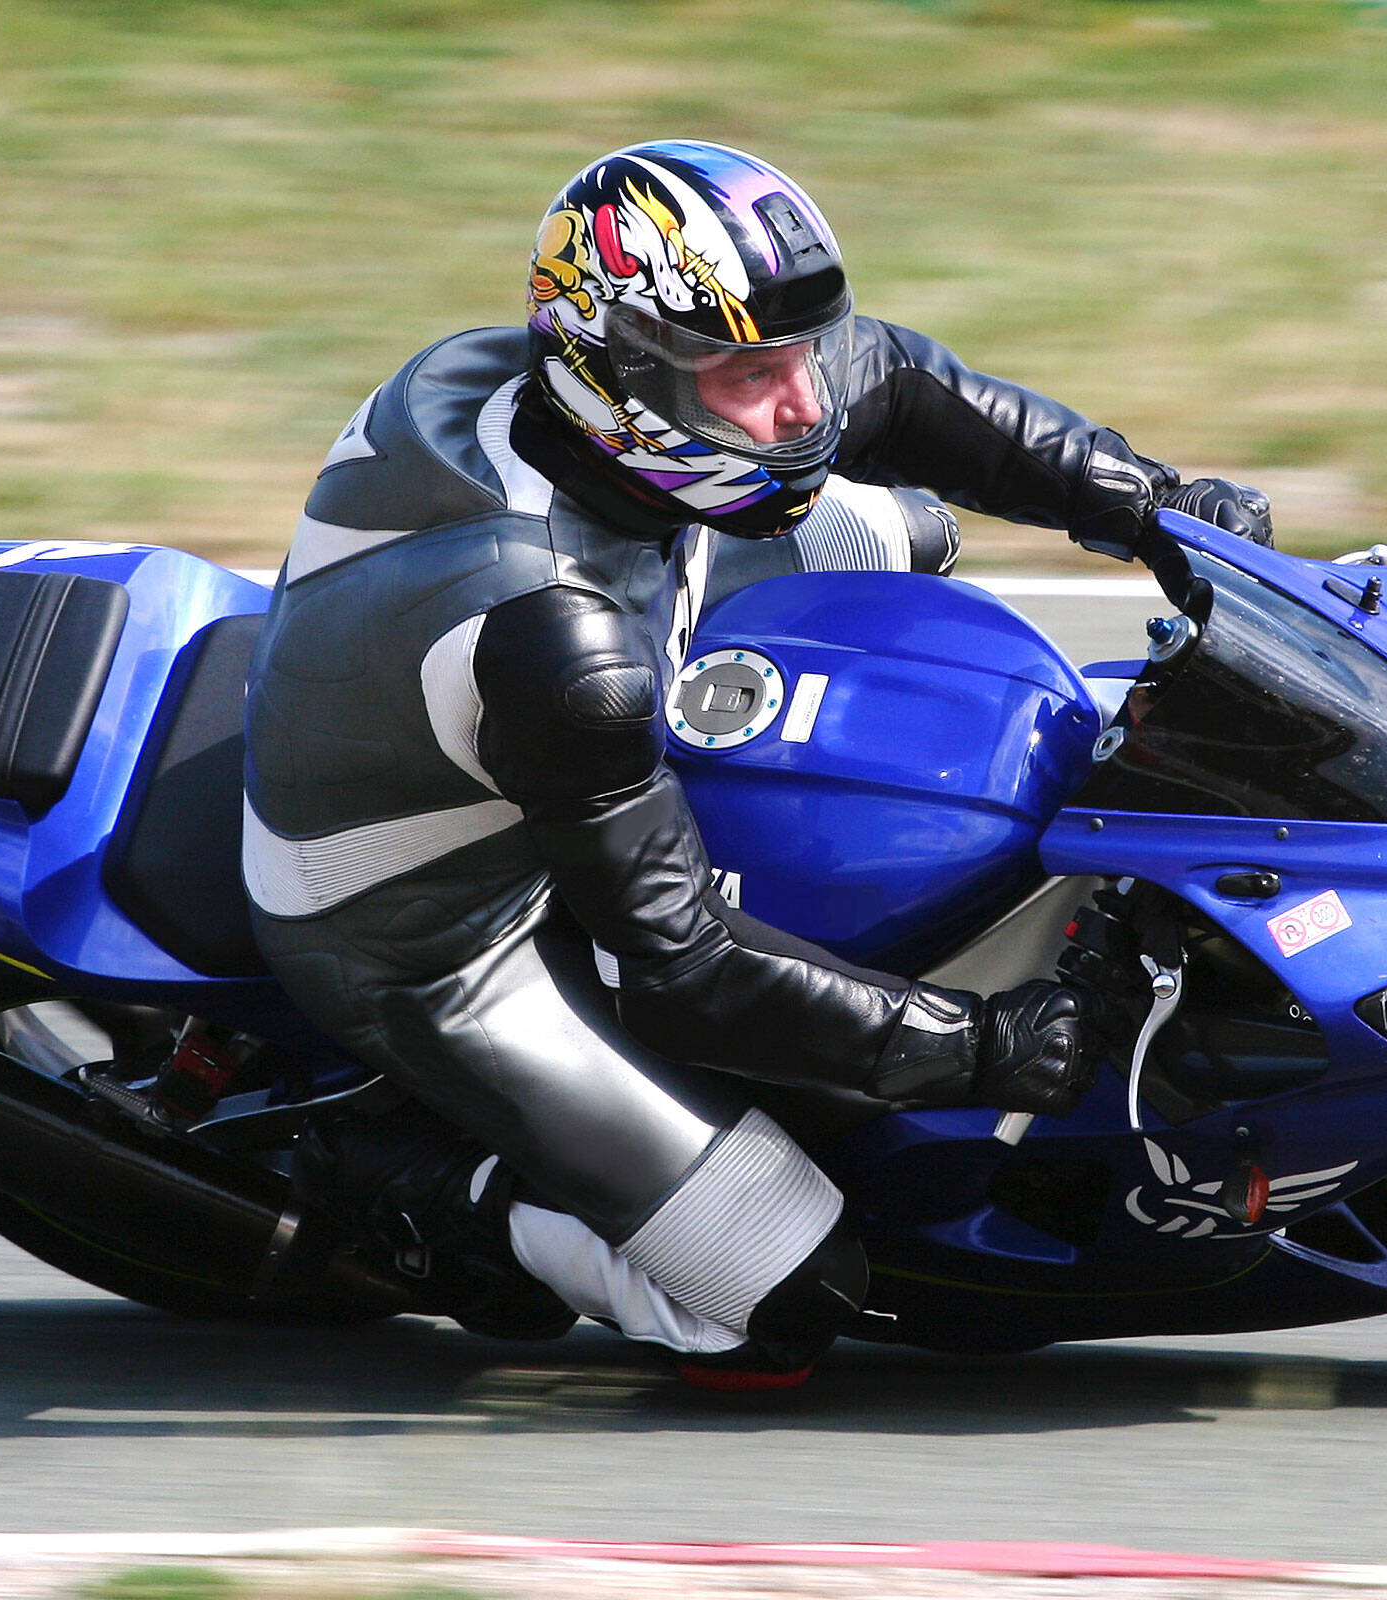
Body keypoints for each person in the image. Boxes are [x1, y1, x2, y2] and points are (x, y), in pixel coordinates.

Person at [243, 141, 1270, 1384]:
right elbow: (676, 966)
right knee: (774, 1301)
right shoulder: (557, 641)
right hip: (434, 933)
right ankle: (409, 1191)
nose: (804, 404)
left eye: (795, 354)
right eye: (751, 374)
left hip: (594, 621)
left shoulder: (563, 394)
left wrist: (1148, 504)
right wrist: (975, 1044)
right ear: (626, 375)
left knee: (915, 533)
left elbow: (892, 378)